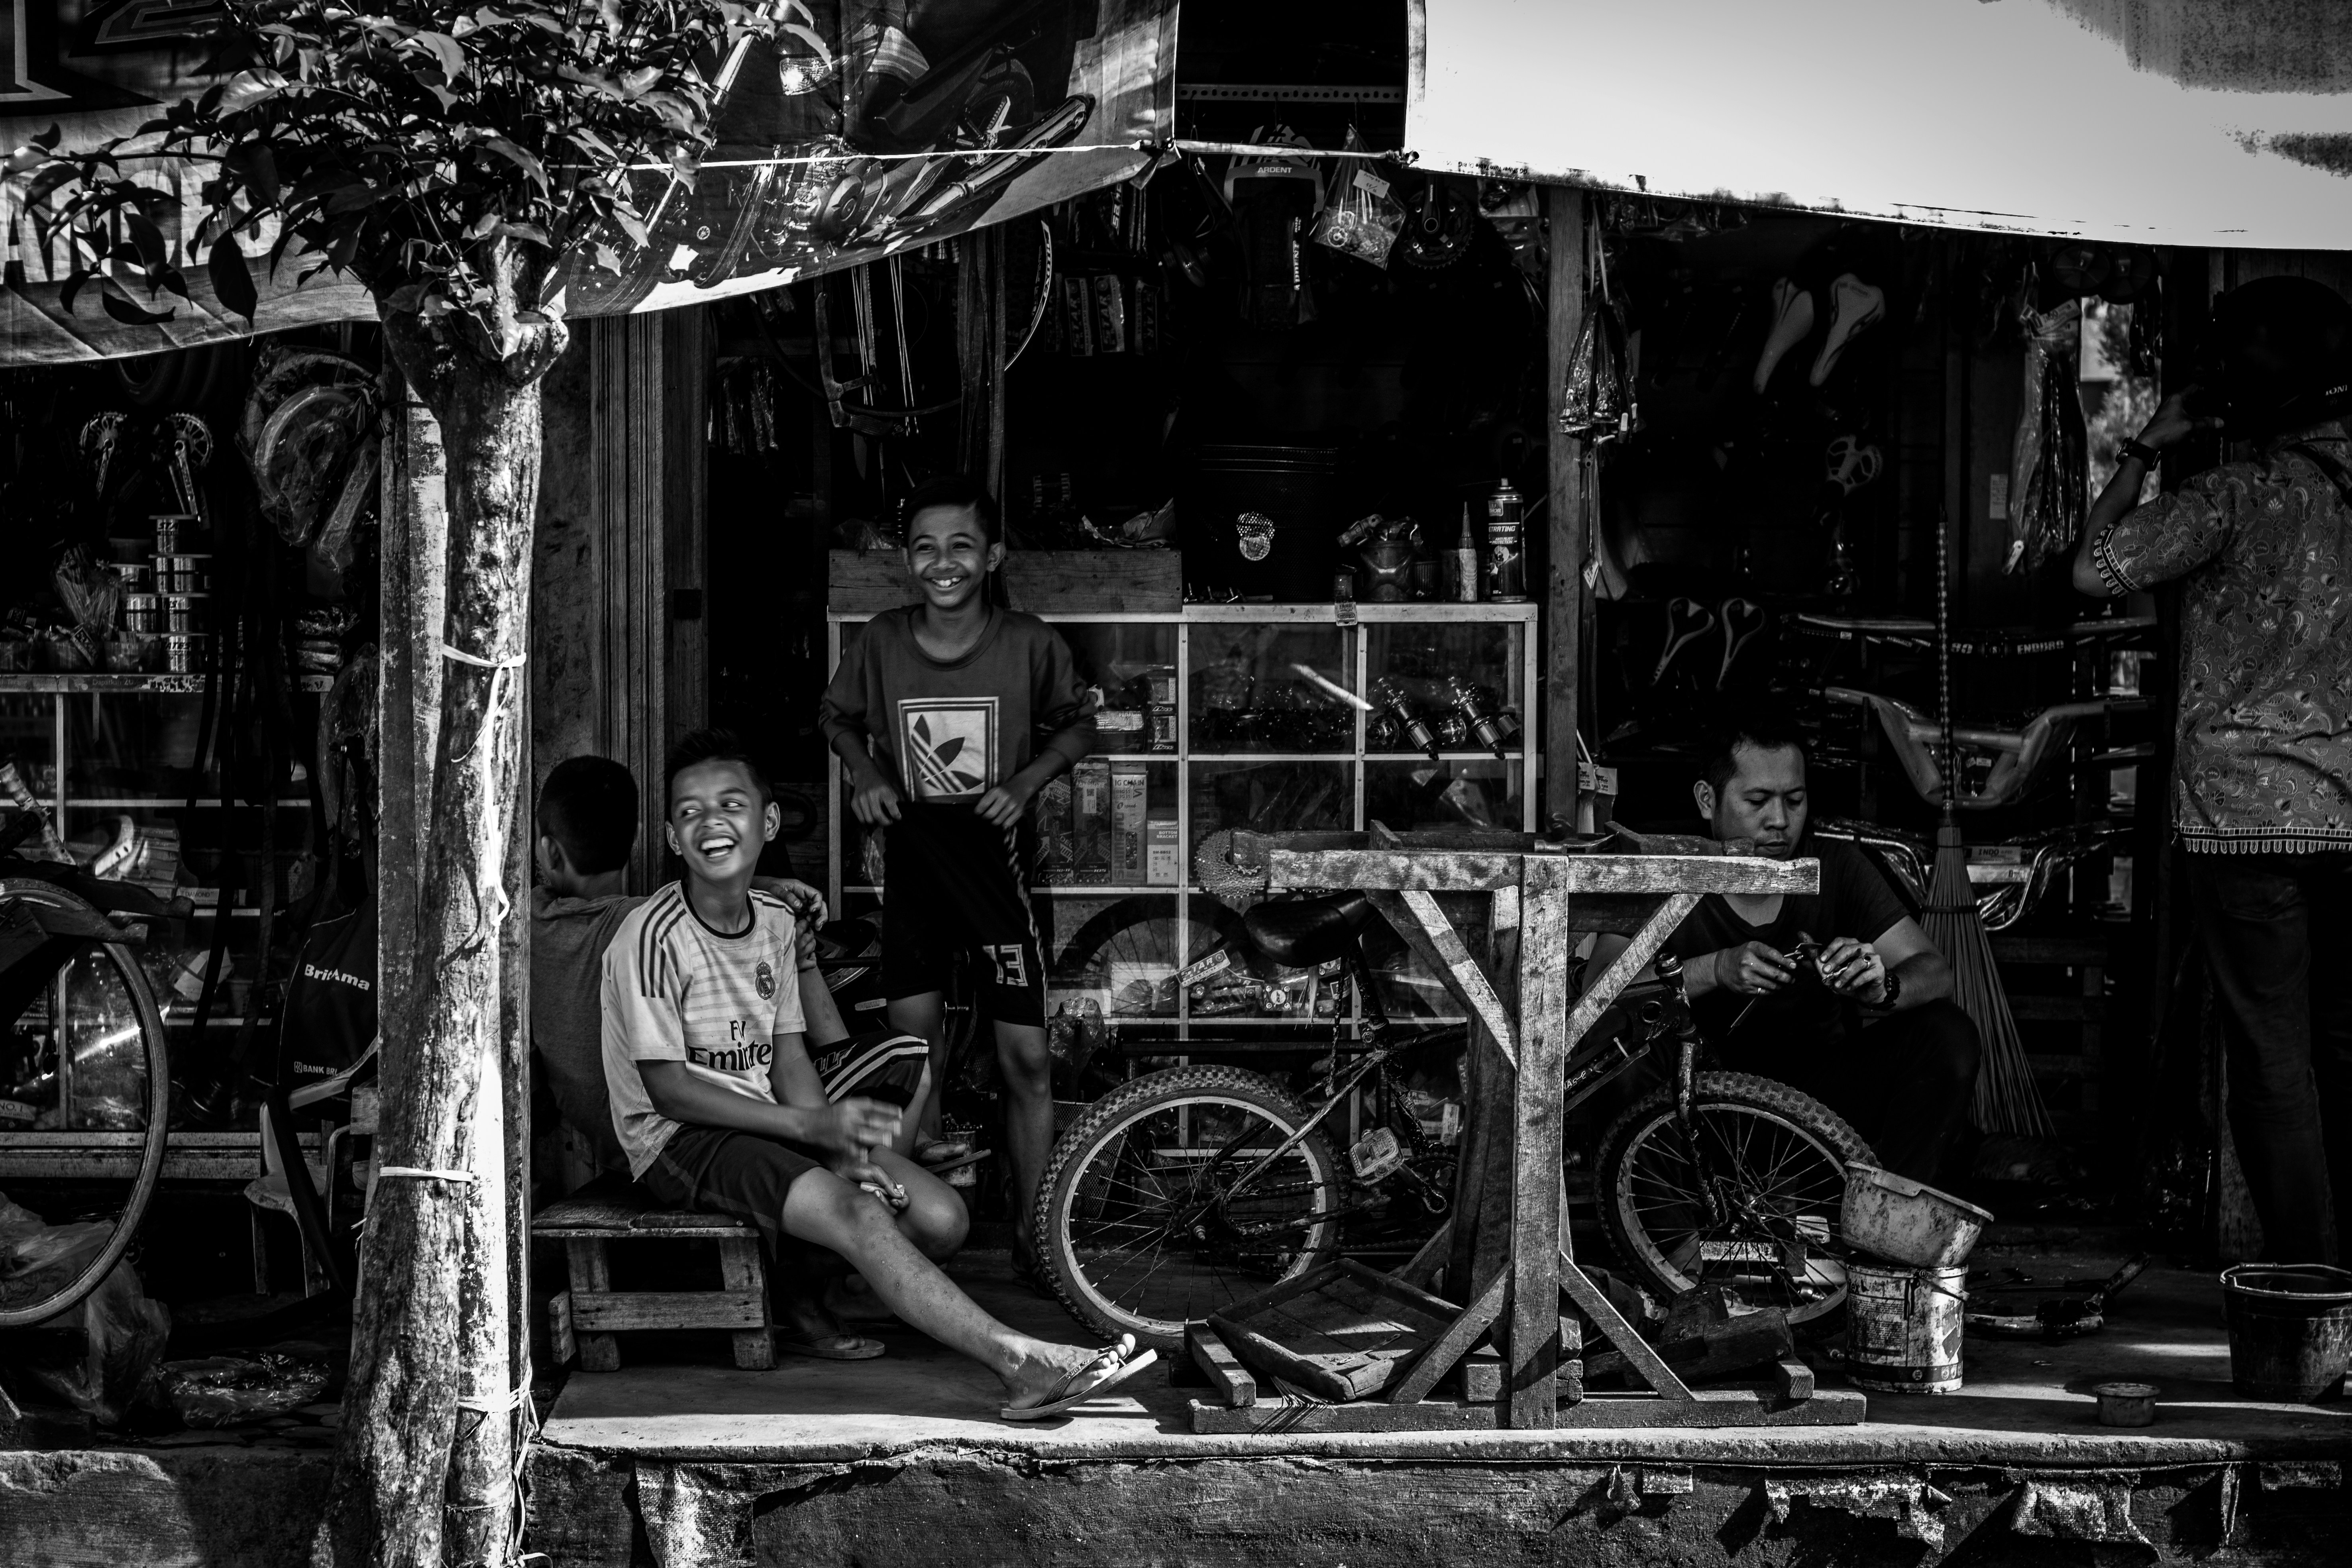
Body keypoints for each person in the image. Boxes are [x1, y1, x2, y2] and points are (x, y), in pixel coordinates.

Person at [603, 731, 1152, 1414]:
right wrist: (810, 1129)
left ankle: (801, 1292)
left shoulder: (773, 922)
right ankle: (1021, 1363)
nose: (710, 821)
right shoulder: (651, 936)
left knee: (941, 1218)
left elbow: (790, 1056)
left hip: (766, 1118)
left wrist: (835, 1145)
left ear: (768, 823)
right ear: (671, 837)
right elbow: (668, 1090)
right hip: (682, 1137)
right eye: (690, 811)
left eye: (731, 804)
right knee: (860, 1209)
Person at [2070, 275, 2352, 1264]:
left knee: (2272, 1063)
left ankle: (2312, 1290)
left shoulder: (2234, 497)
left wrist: (2146, 446)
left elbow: (2091, 568)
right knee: (2344, 1051)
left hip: (2244, 819)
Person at [819, 475, 1096, 1280]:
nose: (943, 562)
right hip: (912, 857)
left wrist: (1027, 781)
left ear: (993, 556)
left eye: (961, 546)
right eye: (925, 547)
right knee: (916, 1059)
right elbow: (836, 717)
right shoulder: (882, 640)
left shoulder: (1029, 642)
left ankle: (1038, 1240)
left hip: (994, 861)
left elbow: (1078, 723)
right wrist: (867, 773)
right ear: (908, 559)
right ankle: (921, 1243)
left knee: (1027, 1060)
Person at [1592, 712, 1981, 1183]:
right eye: (1757, 801)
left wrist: (1882, 986)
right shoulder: (1660, 869)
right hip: (1695, 1117)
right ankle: (1671, 1226)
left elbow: (1936, 971)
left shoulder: (1836, 866)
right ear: (1707, 800)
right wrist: (1715, 969)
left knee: (1945, 1033)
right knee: (1626, 1052)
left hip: (1815, 1111)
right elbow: (1600, 989)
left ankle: (1889, 1211)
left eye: (1794, 800)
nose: (1779, 821)